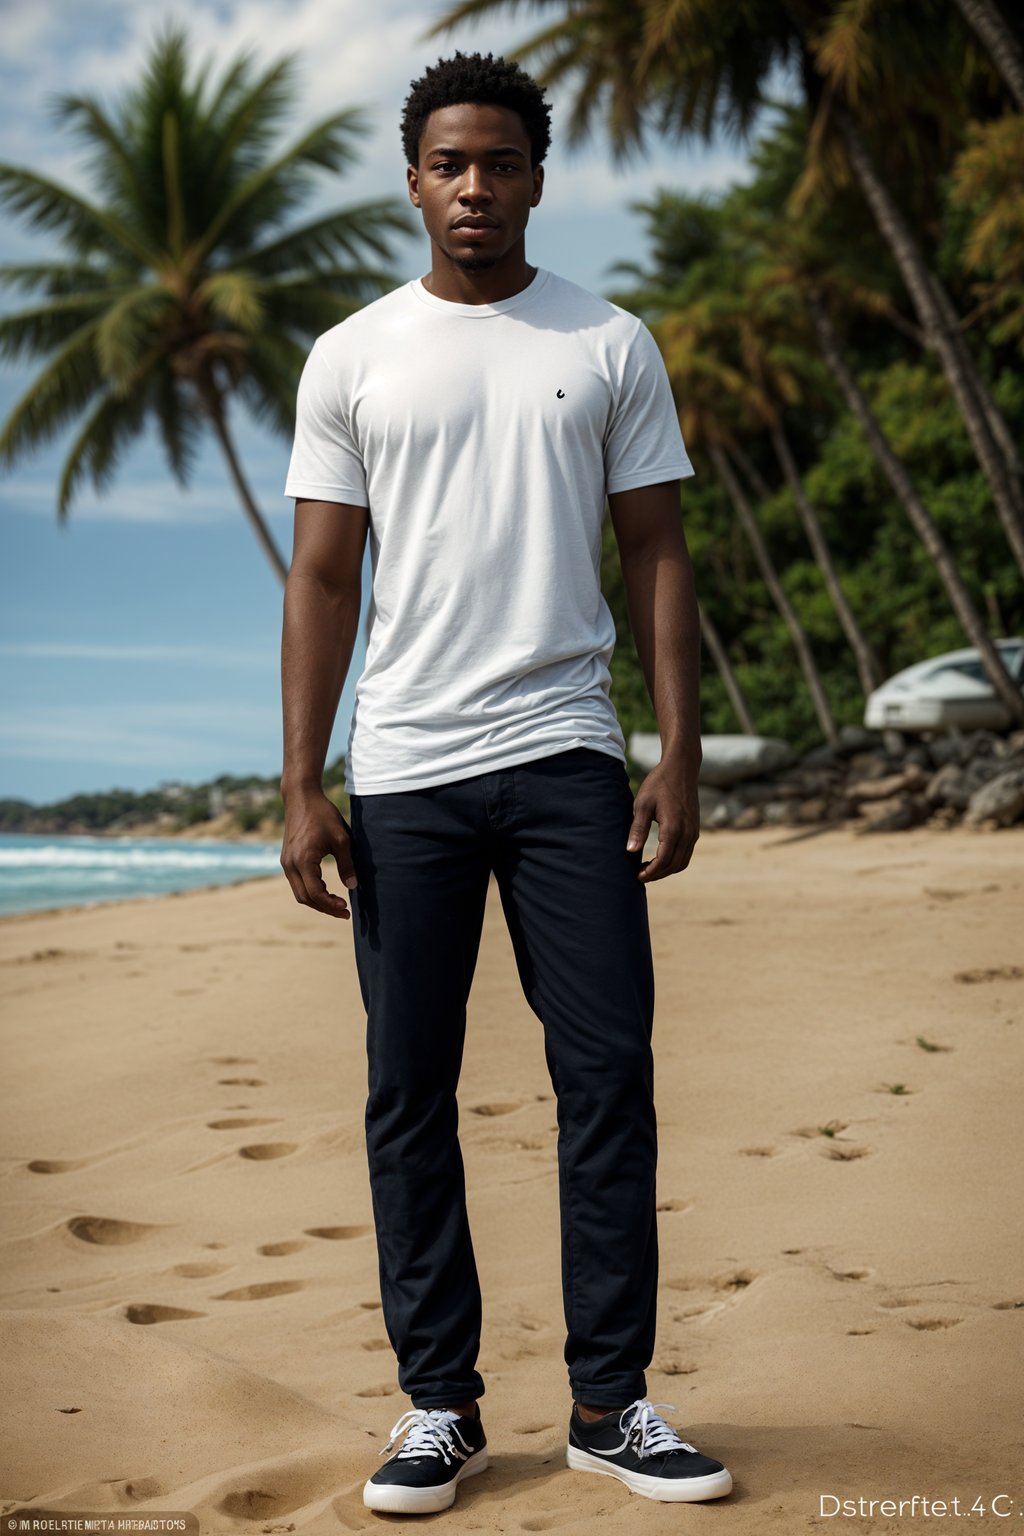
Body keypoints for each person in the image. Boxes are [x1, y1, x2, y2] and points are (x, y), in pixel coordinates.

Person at [279, 49, 732, 1517]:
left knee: (605, 1079)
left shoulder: (607, 342)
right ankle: (439, 1409)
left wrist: (680, 748)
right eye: (451, 164)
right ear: (415, 180)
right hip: (405, 771)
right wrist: (302, 777)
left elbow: (658, 549)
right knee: (408, 1092)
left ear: (539, 178)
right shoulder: (353, 353)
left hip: (567, 763)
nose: (478, 187)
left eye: (504, 163)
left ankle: (611, 1404)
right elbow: (325, 575)